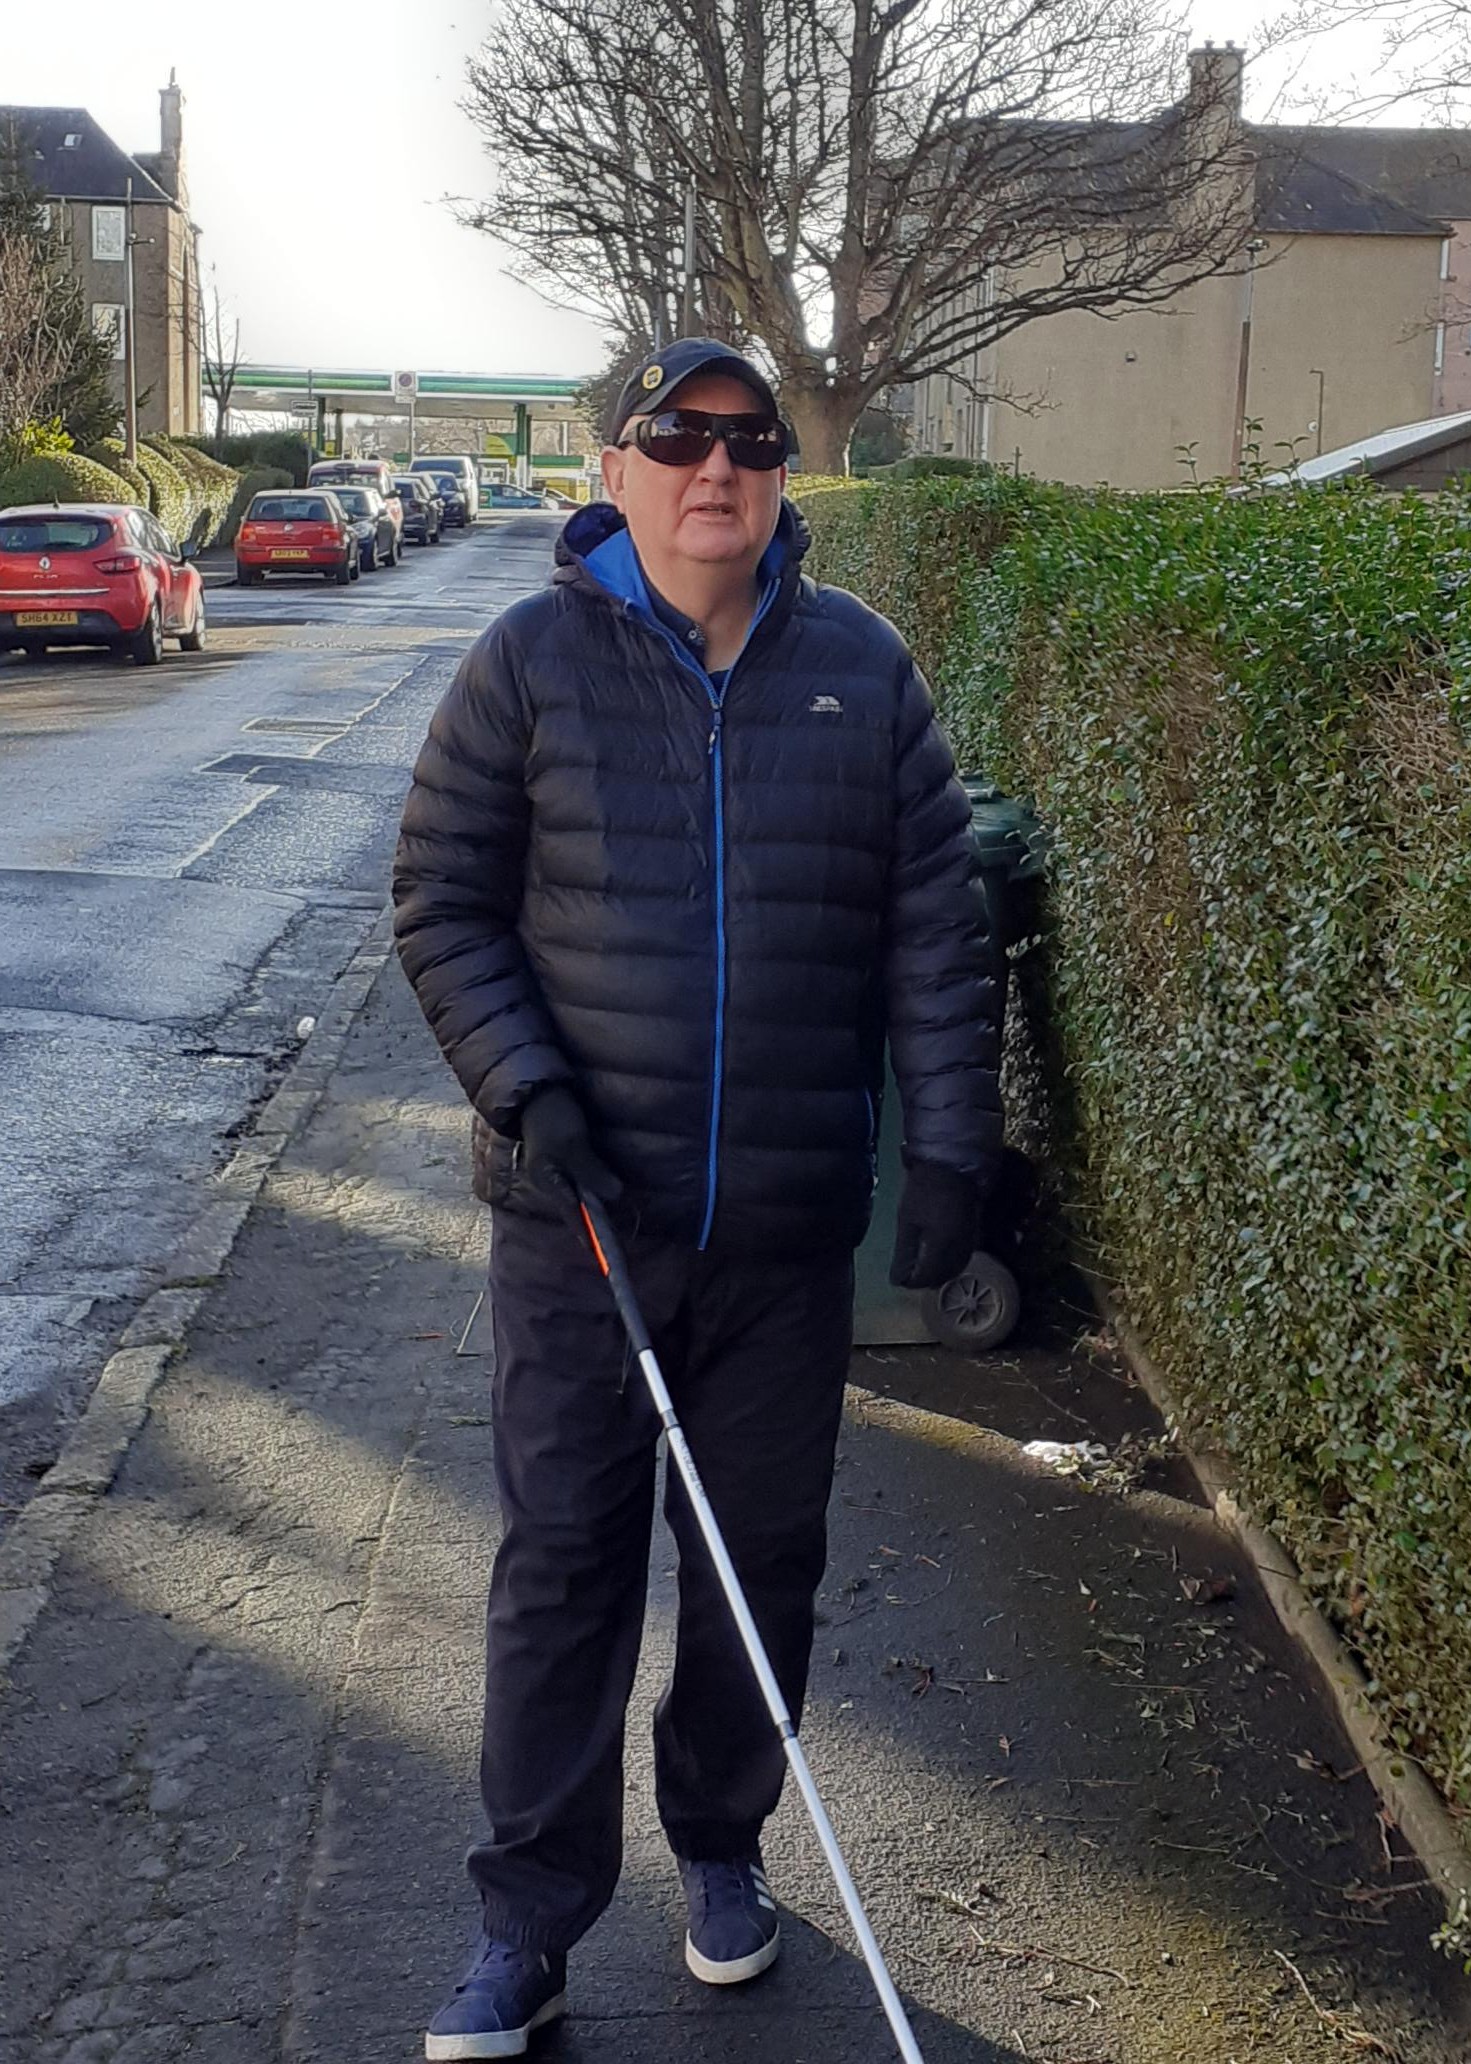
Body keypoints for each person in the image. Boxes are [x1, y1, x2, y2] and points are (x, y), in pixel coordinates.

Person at [393, 337, 1002, 2060]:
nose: (717, 467)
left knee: (758, 1572)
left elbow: (938, 941)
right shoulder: (525, 667)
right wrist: (528, 1088)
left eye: (748, 440)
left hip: (788, 1238)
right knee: (566, 1572)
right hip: (581, 1220)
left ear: (782, 473)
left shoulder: (863, 676)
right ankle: (527, 1926)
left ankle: (722, 1850)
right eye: (680, 437)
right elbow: (442, 903)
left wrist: (948, 1154)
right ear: (620, 461)